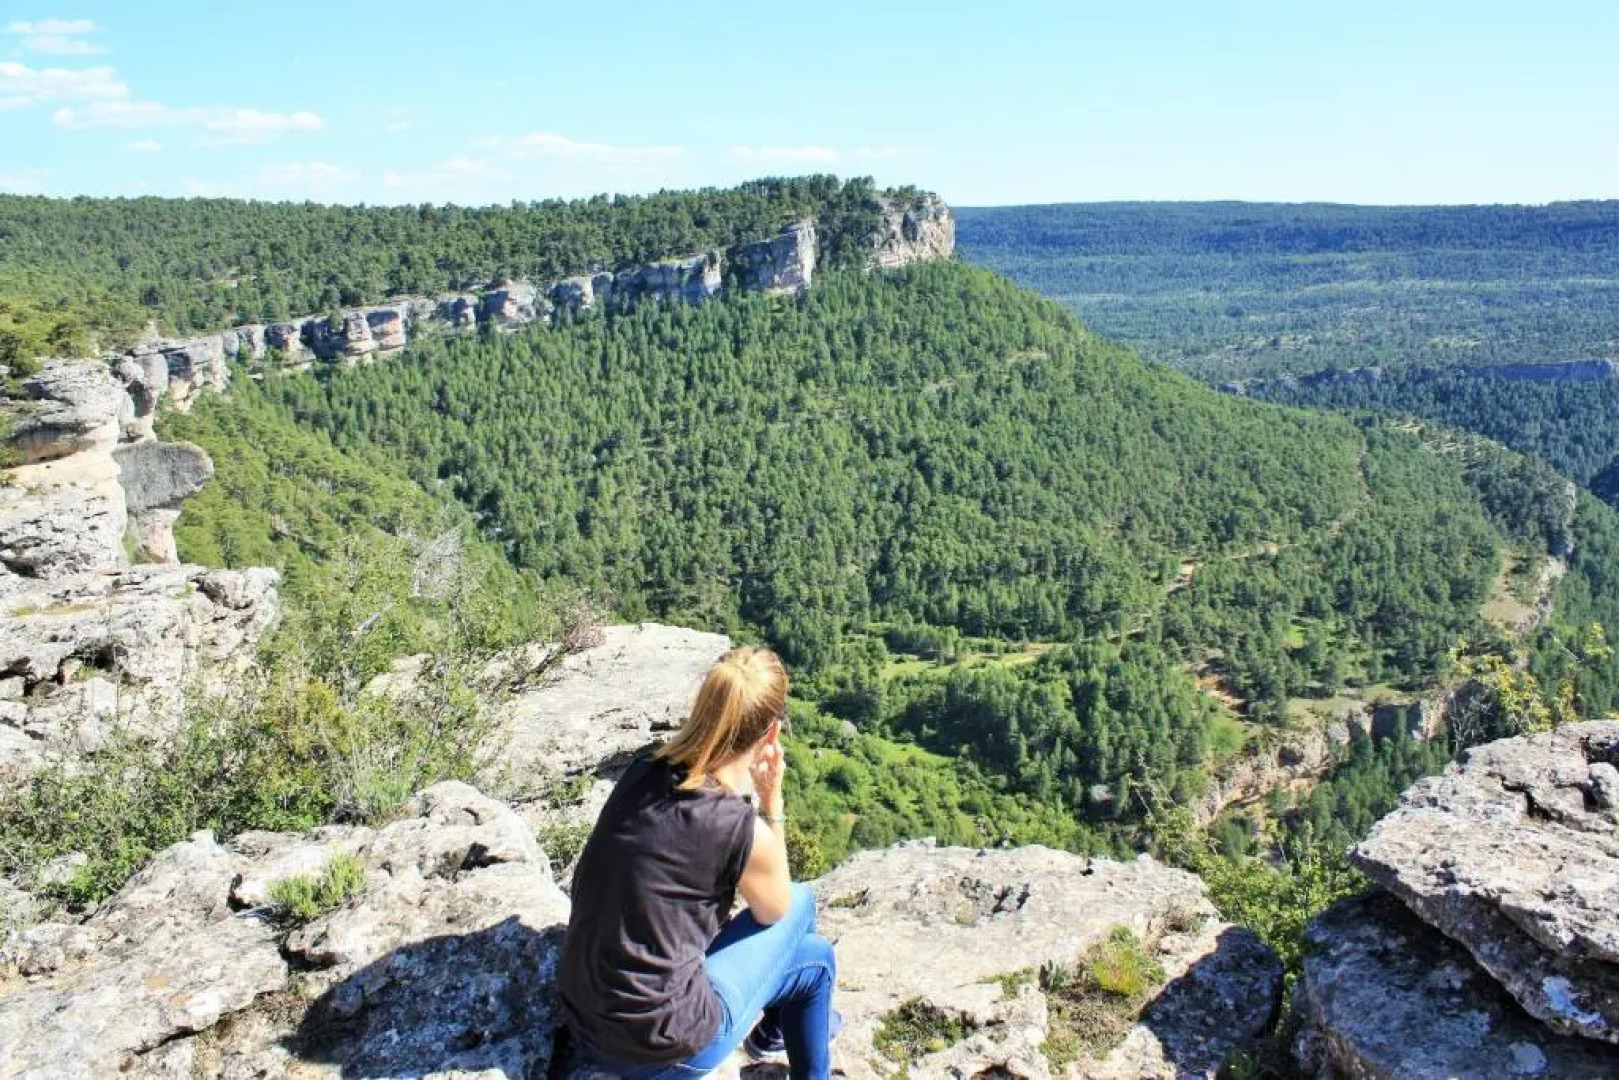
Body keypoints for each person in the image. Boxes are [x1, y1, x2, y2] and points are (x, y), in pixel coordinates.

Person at [558, 645, 838, 1080]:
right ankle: (773, 1038)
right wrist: (771, 803)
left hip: (583, 1017)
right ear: (770, 734)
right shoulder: (738, 827)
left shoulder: (641, 771)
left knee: (815, 960)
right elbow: (776, 908)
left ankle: (774, 1033)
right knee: (802, 904)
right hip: (663, 1049)